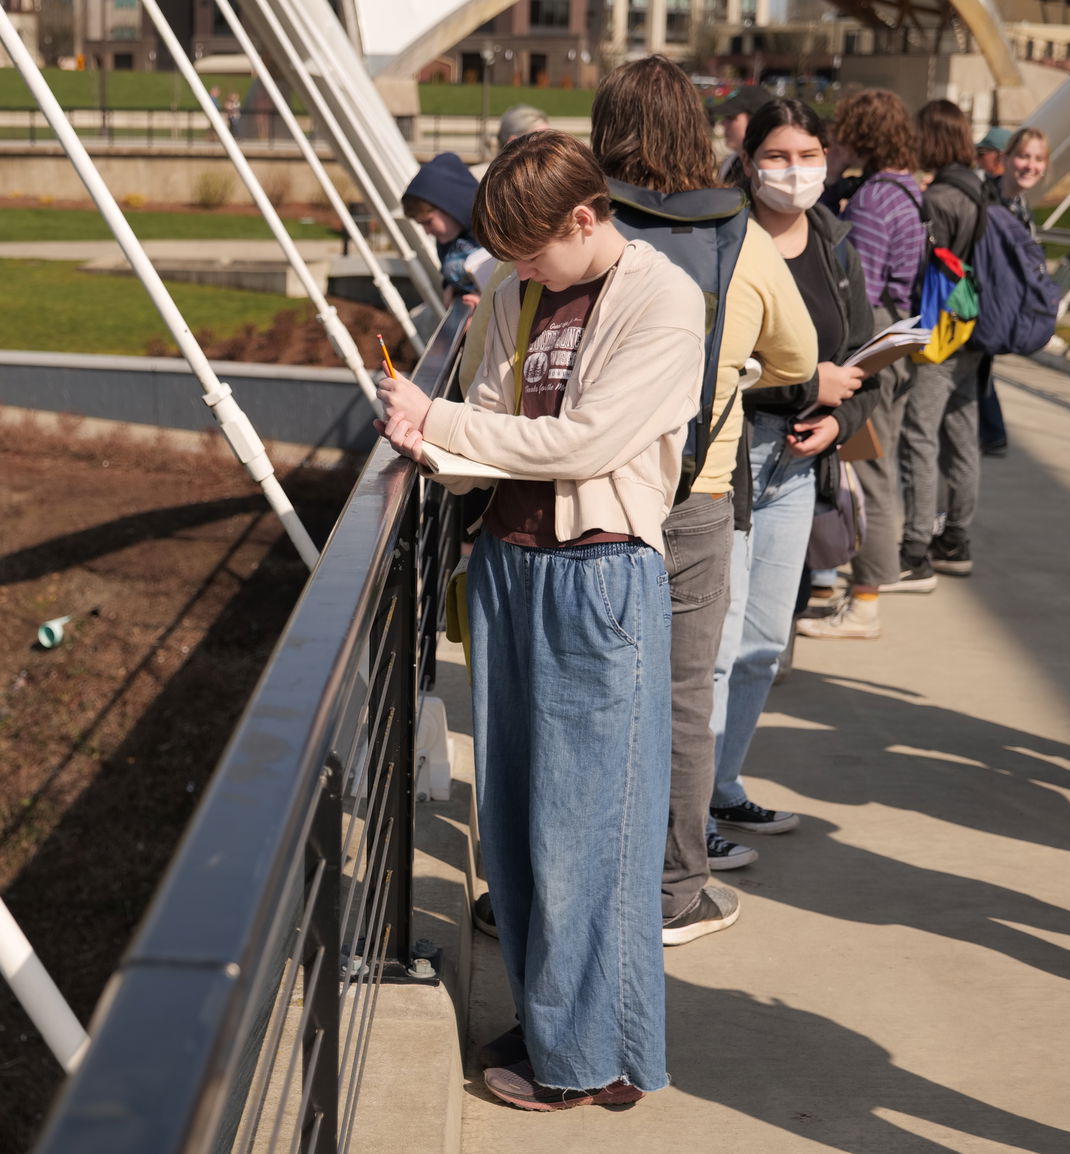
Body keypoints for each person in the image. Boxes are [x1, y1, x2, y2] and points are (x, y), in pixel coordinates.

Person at [374, 130, 704, 1111]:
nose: (516, 268)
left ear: (584, 216)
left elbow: (583, 438)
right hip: (509, 571)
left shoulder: (664, 299)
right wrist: (427, 437)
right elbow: (488, 422)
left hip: (598, 578)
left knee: (587, 834)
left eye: (530, 248)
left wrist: (437, 425)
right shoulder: (518, 291)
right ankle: (569, 1028)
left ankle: (582, 1058)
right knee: (517, 823)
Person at [588, 57, 817, 928]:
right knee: (685, 700)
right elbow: (794, 359)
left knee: (579, 699)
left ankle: (558, 888)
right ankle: (675, 889)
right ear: (700, 129)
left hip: (587, 492)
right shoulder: (738, 238)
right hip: (694, 496)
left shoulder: (581, 222)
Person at [708, 99, 879, 858]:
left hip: (802, 462)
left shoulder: (836, 245)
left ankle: (724, 785)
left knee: (763, 641)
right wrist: (805, 383)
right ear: (749, 164)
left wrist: (840, 419)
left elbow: (867, 361)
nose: (795, 170)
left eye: (809, 153)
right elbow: (710, 362)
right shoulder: (723, 237)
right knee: (713, 640)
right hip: (733, 457)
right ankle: (689, 821)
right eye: (778, 156)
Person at [797, 89, 924, 641]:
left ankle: (867, 597)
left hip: (875, 345)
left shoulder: (874, 199)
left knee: (867, 467)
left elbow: (858, 286)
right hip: (902, 338)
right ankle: (853, 586)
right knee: (874, 461)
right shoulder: (907, 189)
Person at [897, 98, 988, 586]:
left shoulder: (939, 199)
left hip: (941, 330)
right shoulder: (979, 190)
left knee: (918, 433)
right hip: (974, 326)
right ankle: (956, 536)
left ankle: (915, 548)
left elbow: (922, 267)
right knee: (960, 433)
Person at [975, 126, 1050, 458]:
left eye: (1037, 159)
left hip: (991, 324)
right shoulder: (981, 201)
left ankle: (992, 434)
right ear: (1005, 159)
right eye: (1023, 156)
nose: (1030, 165)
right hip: (965, 323)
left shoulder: (1020, 207)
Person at [403, 152, 493, 303]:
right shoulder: (448, 244)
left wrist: (486, 301)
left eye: (428, 221)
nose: (426, 231)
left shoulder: (494, 232)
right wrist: (449, 286)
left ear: (450, 207)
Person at [712, 85, 773, 185]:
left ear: (755, 120)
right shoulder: (730, 164)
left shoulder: (770, 171)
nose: (723, 124)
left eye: (731, 118)